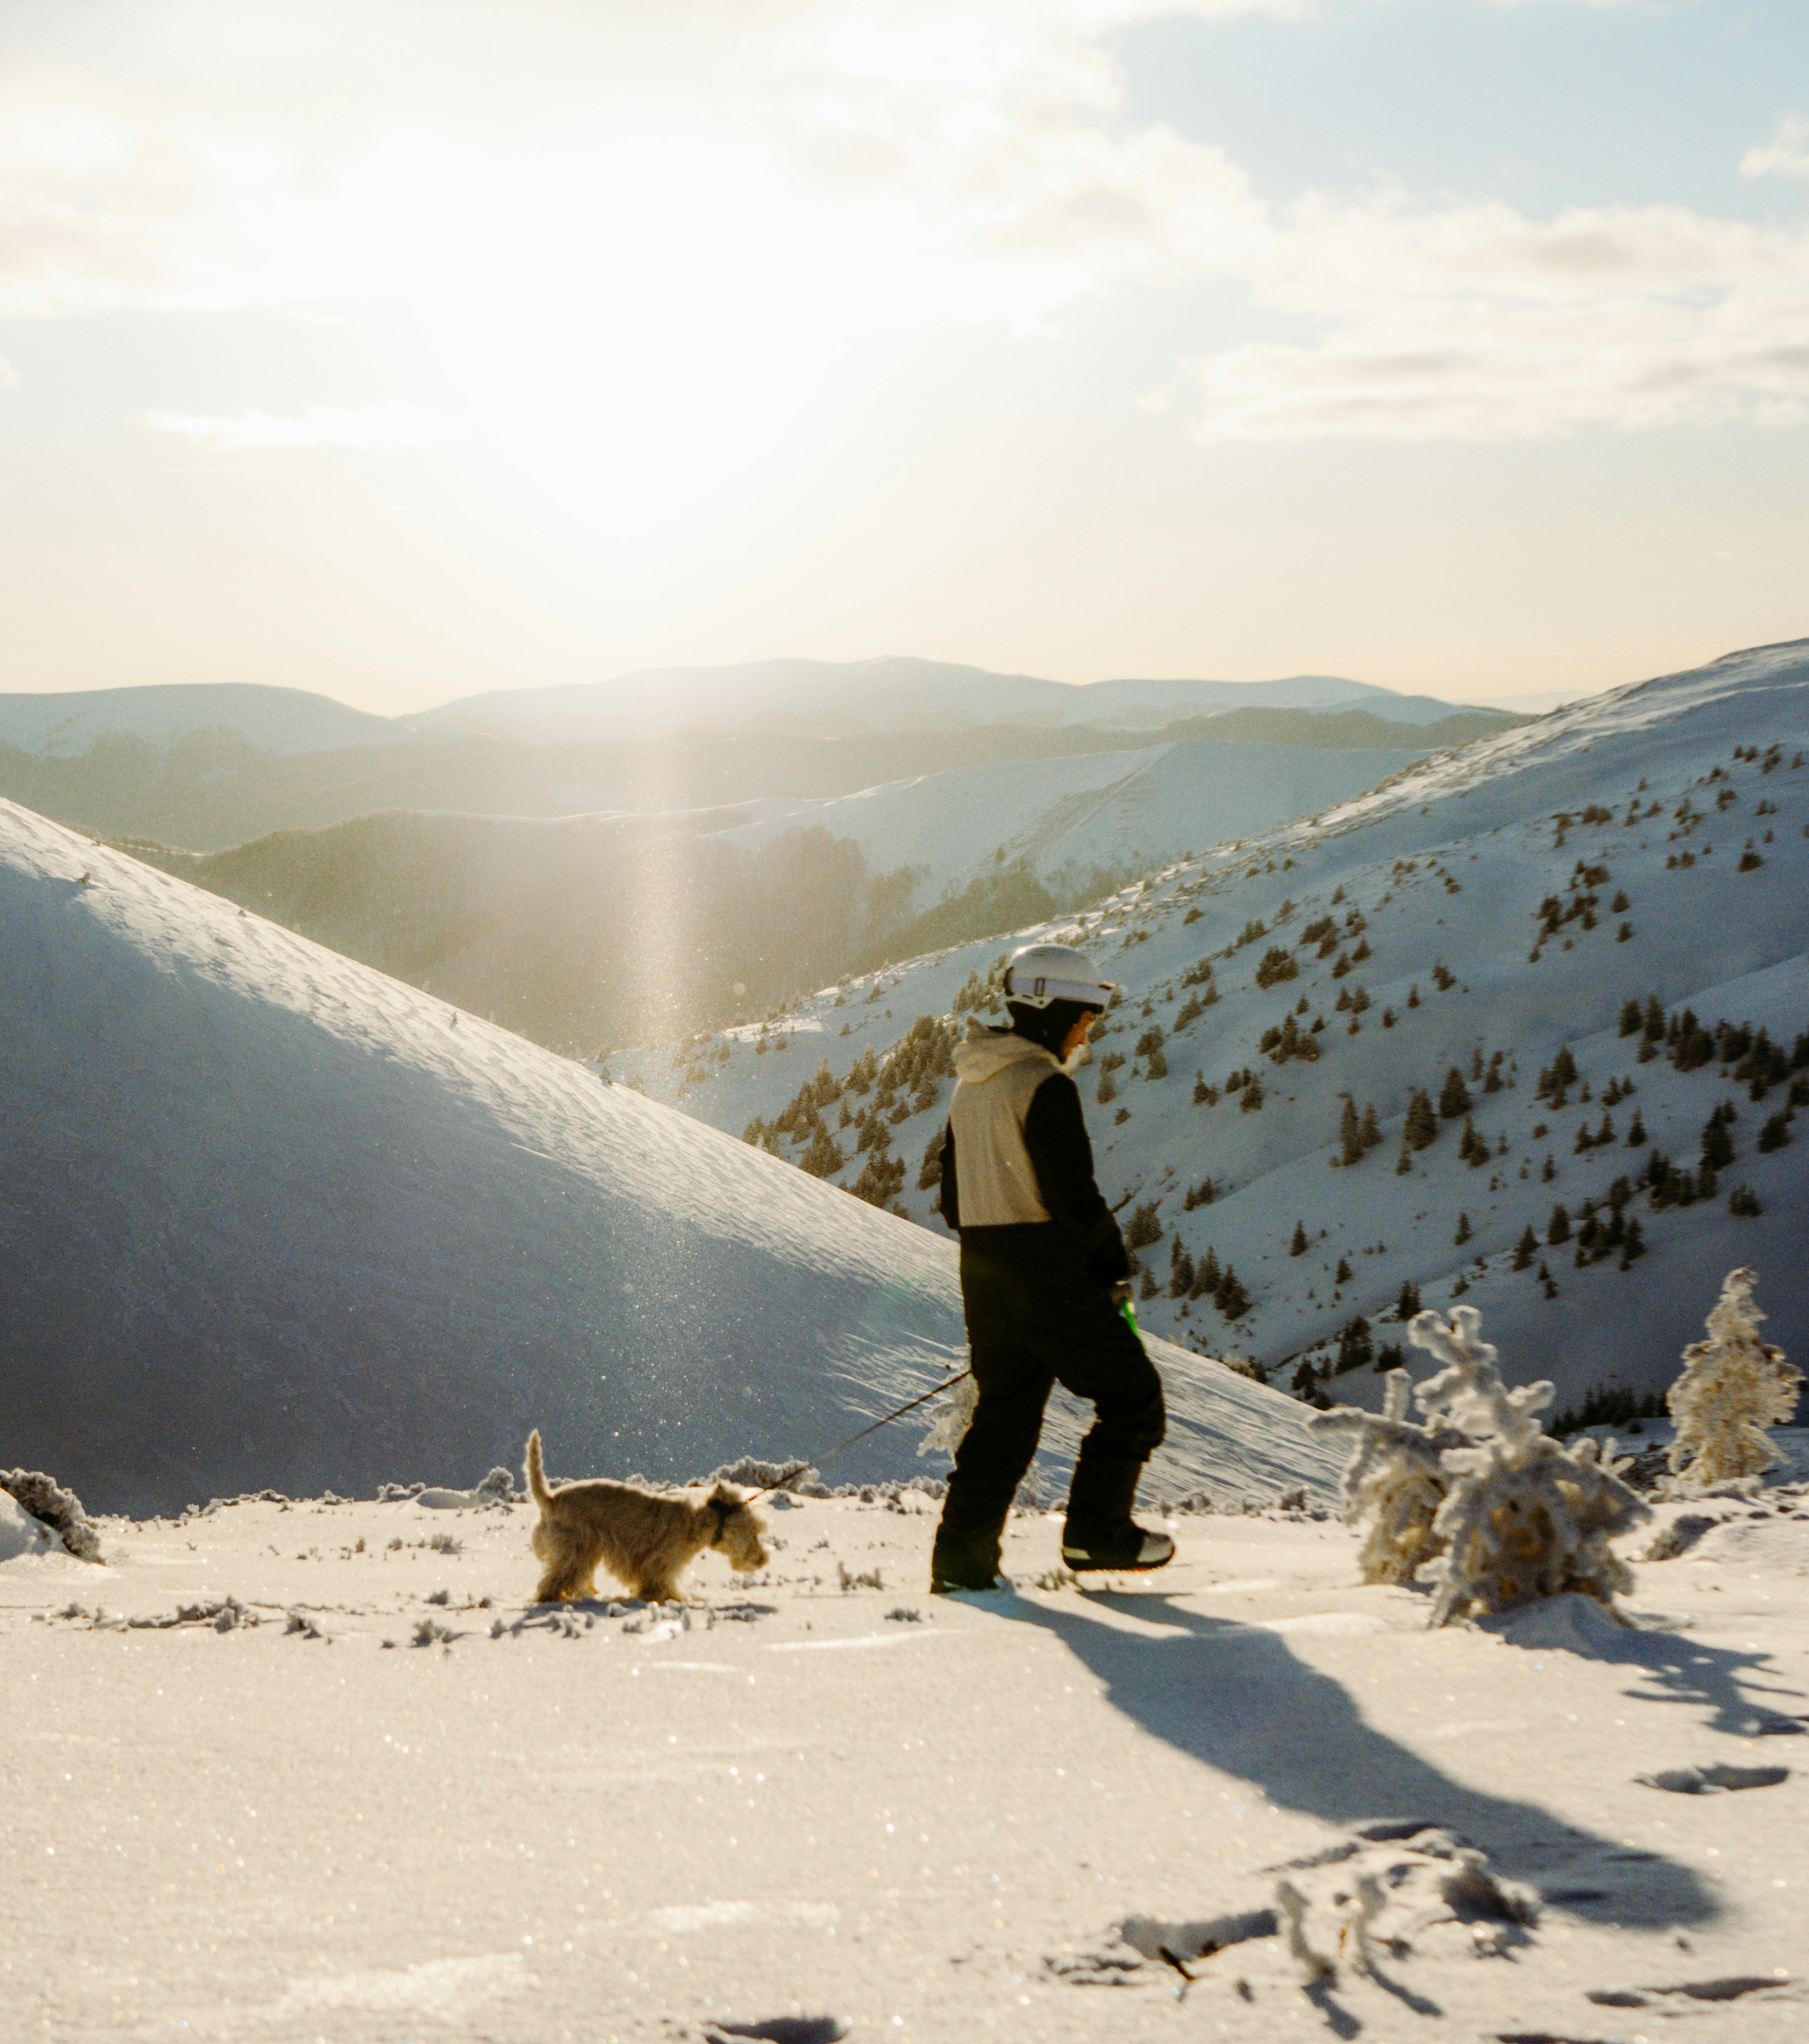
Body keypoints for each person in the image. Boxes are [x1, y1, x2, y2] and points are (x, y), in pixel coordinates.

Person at [929, 941, 1172, 1593]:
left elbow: (952, 1200)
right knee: (1133, 1400)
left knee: (1003, 1422)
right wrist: (1108, 1266)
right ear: (1049, 1008)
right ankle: (1098, 1536)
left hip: (983, 1270)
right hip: (1047, 1271)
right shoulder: (1044, 1085)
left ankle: (960, 1565)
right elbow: (1075, 1197)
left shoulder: (971, 1083)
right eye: (1083, 1015)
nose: (1087, 1029)